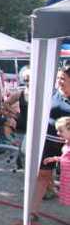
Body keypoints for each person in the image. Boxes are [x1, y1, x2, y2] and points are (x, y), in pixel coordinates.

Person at [32, 63, 70, 215]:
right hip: (47, 143)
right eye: (58, 78)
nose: (59, 81)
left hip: (66, 148)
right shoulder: (53, 93)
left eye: (63, 78)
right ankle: (32, 211)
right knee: (42, 176)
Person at [42, 116, 70, 206]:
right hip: (66, 176)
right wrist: (55, 159)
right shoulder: (66, 143)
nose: (58, 133)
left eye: (61, 131)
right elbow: (66, 157)